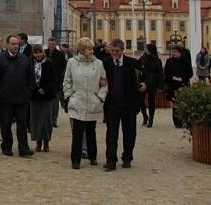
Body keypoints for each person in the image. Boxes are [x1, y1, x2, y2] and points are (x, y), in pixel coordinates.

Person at [62, 37, 107, 169]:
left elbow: (104, 83)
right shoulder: (72, 62)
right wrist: (70, 96)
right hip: (77, 101)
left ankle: (92, 156)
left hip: (93, 101)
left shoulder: (98, 64)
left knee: (91, 131)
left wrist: (100, 98)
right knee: (77, 132)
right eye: (89, 49)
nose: (92, 51)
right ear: (81, 50)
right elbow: (67, 81)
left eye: (92, 48)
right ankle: (75, 159)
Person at [0, 34, 34, 157]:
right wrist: (1, 92)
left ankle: (23, 149)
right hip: (5, 99)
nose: (15, 46)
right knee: (5, 124)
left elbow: (31, 78)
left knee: (22, 125)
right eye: (13, 44)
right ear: (7, 45)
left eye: (17, 44)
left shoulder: (25, 59)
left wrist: (28, 92)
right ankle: (7, 147)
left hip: (22, 98)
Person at [102, 39, 144, 171]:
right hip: (111, 104)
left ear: (122, 50)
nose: (114, 53)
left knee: (129, 133)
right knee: (111, 134)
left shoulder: (133, 63)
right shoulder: (105, 63)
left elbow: (146, 76)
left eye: (117, 51)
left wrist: (145, 84)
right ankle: (111, 160)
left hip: (129, 104)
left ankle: (127, 157)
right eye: (112, 50)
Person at [30, 44, 57, 152]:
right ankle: (38, 141)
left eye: (40, 52)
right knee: (35, 120)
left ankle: (46, 142)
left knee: (46, 120)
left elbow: (54, 80)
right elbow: (28, 78)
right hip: (34, 96)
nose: (38, 55)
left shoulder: (49, 63)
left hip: (47, 96)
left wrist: (45, 89)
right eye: (35, 53)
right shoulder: (29, 63)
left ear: (43, 52)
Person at [163, 46, 193, 128]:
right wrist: (172, 77)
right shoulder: (169, 61)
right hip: (173, 85)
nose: (174, 53)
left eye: (176, 51)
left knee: (183, 103)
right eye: (173, 51)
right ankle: (176, 121)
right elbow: (166, 73)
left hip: (183, 84)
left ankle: (184, 120)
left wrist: (182, 79)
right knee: (175, 104)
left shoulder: (185, 62)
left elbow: (190, 73)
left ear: (180, 52)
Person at [138, 43, 163, 127]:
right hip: (143, 82)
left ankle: (151, 119)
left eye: (146, 49)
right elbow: (138, 68)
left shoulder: (157, 60)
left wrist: (160, 85)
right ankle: (145, 116)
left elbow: (160, 73)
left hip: (153, 83)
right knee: (141, 100)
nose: (145, 50)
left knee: (151, 101)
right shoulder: (142, 58)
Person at [45, 37, 67, 127]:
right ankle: (47, 119)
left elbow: (63, 68)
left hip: (56, 83)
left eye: (53, 44)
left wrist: (61, 80)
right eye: (50, 44)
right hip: (45, 82)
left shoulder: (60, 54)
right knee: (46, 102)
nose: (51, 46)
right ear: (48, 44)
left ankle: (54, 120)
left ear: (55, 44)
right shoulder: (44, 53)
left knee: (55, 103)